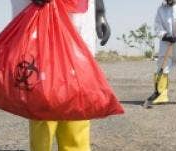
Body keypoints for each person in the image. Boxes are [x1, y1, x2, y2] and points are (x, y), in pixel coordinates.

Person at [10, 0, 111, 150]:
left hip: (80, 24)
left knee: (77, 105)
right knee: (44, 106)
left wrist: (99, 11)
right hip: (42, 26)